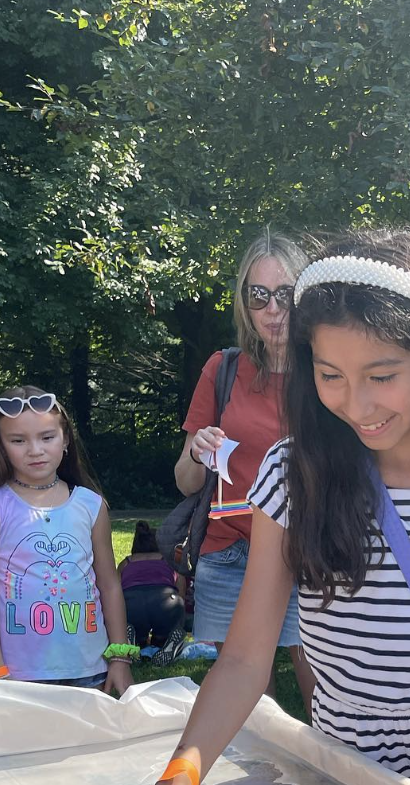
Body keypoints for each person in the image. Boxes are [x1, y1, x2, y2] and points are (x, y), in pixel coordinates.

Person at [128, 227, 410, 785]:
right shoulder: (292, 474)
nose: (356, 406)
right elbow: (243, 659)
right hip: (347, 775)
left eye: (382, 376)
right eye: (330, 375)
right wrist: (178, 779)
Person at [174, 229, 315, 711]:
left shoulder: (330, 372)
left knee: (327, 691)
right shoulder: (224, 368)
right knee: (251, 709)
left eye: (286, 294)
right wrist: (197, 452)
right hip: (229, 550)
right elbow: (186, 481)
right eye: (259, 296)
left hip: (310, 551)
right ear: (244, 303)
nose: (273, 310)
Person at [0, 386, 133, 693]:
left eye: (47, 437)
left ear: (66, 440)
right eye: (18, 440)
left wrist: (120, 659)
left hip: (90, 669)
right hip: (17, 676)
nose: (35, 450)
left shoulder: (91, 505)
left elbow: (109, 586)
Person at [117, 519, 186, 665]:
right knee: (167, 626)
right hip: (166, 600)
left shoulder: (126, 562)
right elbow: (181, 588)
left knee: (135, 627)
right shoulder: (167, 560)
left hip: (132, 601)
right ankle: (165, 641)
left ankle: (136, 642)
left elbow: (115, 590)